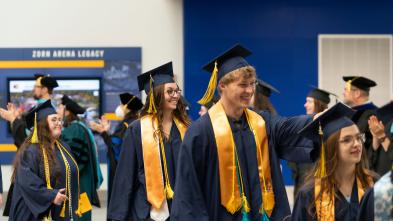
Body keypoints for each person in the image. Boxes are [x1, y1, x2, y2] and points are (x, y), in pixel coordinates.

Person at [171, 44, 316, 221]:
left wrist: (317, 121)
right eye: (242, 85)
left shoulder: (262, 123)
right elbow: (188, 193)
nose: (249, 91)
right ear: (222, 85)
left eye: (252, 84)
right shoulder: (201, 132)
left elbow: (288, 127)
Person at [107, 62, 191, 221]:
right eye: (170, 91)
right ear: (157, 94)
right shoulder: (137, 129)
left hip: (182, 209)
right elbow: (126, 177)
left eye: (177, 90)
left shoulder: (186, 128)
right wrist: (117, 216)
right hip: (147, 211)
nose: (175, 95)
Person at [292, 102, 375, 221]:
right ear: (330, 148)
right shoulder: (309, 194)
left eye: (358, 137)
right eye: (347, 140)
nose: (357, 144)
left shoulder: (373, 184)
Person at [9, 99, 87, 221]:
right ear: (42, 125)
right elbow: (29, 184)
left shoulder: (64, 147)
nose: (59, 123)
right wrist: (51, 196)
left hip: (60, 211)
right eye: (54, 120)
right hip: (33, 214)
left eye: (59, 119)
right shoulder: (30, 151)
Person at [89, 92, 143, 205]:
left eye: (120, 104)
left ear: (127, 108)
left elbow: (116, 149)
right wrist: (105, 132)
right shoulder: (136, 123)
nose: (118, 107)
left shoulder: (126, 125)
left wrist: (104, 133)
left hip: (123, 175)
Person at [58, 95, 103, 221]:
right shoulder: (78, 127)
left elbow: (73, 158)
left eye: (59, 108)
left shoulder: (74, 129)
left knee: (80, 214)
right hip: (82, 179)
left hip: (79, 181)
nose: (57, 110)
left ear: (66, 111)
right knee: (82, 213)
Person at [290, 87, 335, 197]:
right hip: (302, 180)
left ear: (319, 103)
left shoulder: (331, 126)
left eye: (309, 101)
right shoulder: (303, 124)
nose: (305, 105)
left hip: (322, 180)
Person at [0, 74, 58, 148]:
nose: (33, 90)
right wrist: (16, 118)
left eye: (36, 87)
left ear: (44, 89)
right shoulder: (43, 108)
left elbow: (29, 137)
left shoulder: (45, 111)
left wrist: (13, 119)